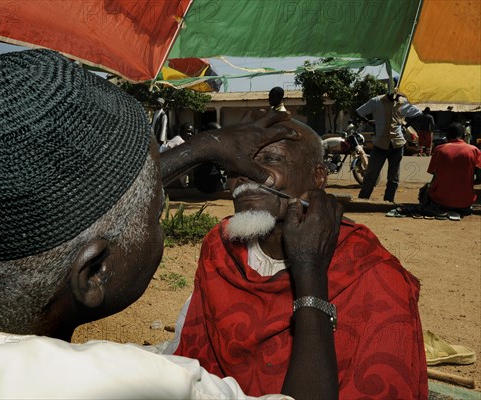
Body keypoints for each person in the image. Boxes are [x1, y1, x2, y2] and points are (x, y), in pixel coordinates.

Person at [0, 49, 342, 399]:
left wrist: (205, 146)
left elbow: (19, 210)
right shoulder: (126, 385)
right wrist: (311, 276)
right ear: (94, 272)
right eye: (155, 211)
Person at [171, 118, 428, 399]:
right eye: (236, 164)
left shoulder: (374, 275)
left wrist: (308, 266)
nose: (245, 174)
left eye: (270, 159)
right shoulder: (219, 247)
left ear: (318, 177)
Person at [357, 91, 421, 202]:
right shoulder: (376, 101)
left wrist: (406, 124)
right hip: (380, 144)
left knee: (394, 177)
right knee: (371, 174)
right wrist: (371, 123)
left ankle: (388, 201)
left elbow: (418, 113)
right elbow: (359, 112)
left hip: (397, 144)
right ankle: (363, 199)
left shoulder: (403, 103)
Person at [421, 122, 481, 218]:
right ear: (464, 135)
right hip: (465, 203)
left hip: (440, 202)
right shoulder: (474, 150)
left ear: (447, 136)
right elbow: (479, 178)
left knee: (425, 188)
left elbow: (434, 173)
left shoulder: (439, 149)